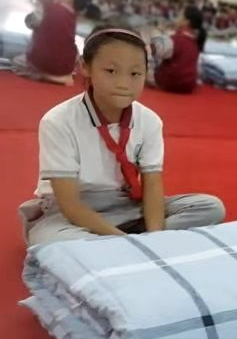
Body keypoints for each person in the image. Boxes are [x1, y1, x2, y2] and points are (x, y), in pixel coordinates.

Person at [18, 26, 225, 245]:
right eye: (111, 71)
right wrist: (129, 243)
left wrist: (154, 238)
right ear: (85, 66)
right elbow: (70, 205)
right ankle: (124, 242)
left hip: (127, 205)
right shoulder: (58, 121)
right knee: (52, 240)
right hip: (71, 213)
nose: (124, 84)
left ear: (146, 73)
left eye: (135, 74)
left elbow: (152, 186)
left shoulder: (150, 120)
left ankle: (113, 247)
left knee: (210, 207)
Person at [17, 0, 91, 85]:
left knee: (17, 61)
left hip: (40, 62)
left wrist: (40, 3)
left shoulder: (51, 7)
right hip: (65, 68)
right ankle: (60, 76)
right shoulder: (71, 16)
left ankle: (46, 74)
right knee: (71, 49)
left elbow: (30, 22)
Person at [150, 5, 207, 94]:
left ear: (186, 22)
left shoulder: (177, 39)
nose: (176, 19)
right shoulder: (195, 41)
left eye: (179, 16)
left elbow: (154, 50)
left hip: (171, 82)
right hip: (189, 85)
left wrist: (156, 32)